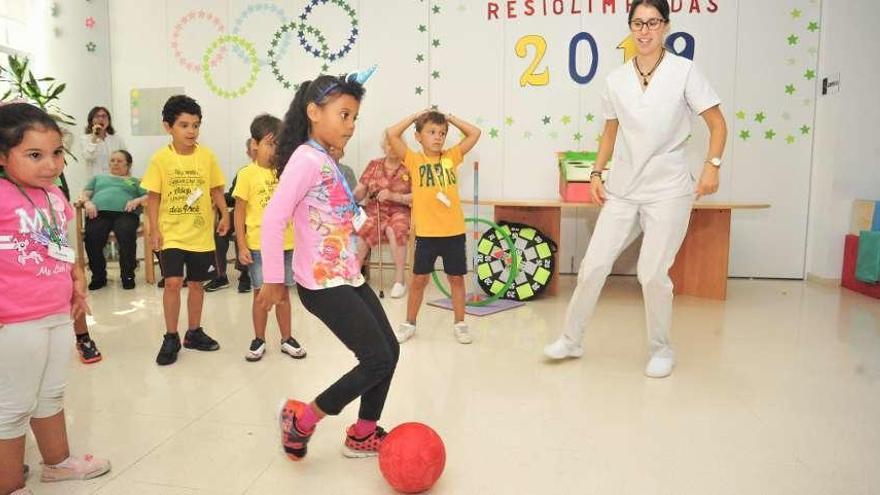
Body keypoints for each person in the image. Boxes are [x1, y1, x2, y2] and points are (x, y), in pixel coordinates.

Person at [543, 0, 728, 378]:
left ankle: (662, 349)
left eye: (653, 23)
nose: (645, 31)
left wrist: (712, 166)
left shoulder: (684, 71)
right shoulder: (616, 80)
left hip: (669, 189)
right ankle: (571, 339)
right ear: (630, 27)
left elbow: (718, 124)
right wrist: (596, 173)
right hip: (623, 188)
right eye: (638, 23)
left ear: (666, 27)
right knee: (593, 266)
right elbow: (610, 131)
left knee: (651, 273)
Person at [258, 71, 400, 460]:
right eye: (344, 115)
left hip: (345, 274)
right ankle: (302, 420)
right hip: (322, 283)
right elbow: (273, 219)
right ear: (314, 112)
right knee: (377, 359)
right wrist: (272, 280)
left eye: (355, 117)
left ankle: (363, 433)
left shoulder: (323, 157)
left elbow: (331, 207)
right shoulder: (306, 158)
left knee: (389, 351)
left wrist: (357, 200)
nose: (351, 126)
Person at [0, 102, 111, 495]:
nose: (50, 164)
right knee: (12, 407)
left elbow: (61, 244)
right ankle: (10, 484)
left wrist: (76, 277)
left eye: (57, 153)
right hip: (13, 321)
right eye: (34, 155)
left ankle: (57, 463)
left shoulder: (52, 196)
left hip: (56, 312)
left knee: (51, 391)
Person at [142, 95, 229, 366]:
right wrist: (154, 228)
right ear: (168, 127)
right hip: (171, 234)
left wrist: (224, 214)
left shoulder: (207, 156)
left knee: (196, 284)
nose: (191, 131)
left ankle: (193, 332)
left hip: (201, 234)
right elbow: (153, 197)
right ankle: (171, 336)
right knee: (172, 282)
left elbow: (216, 189)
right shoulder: (160, 159)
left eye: (195, 125)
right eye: (184, 125)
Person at [386, 110, 481, 344]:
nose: (438, 137)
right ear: (418, 137)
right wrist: (413, 118)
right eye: (431, 132)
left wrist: (451, 119)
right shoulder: (414, 160)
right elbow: (392, 133)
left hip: (453, 233)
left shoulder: (452, 156)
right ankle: (409, 323)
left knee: (457, 279)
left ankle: (460, 323)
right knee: (419, 280)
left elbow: (475, 133)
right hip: (427, 234)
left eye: (442, 133)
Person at [233, 114, 306, 362]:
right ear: (254, 144)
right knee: (261, 295)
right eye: (269, 144)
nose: (275, 150)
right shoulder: (246, 175)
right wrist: (241, 245)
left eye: (279, 144)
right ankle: (259, 338)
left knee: (284, 295)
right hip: (258, 248)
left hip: (286, 245)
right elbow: (239, 213)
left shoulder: (285, 172)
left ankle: (287, 338)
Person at [352, 134, 412, 298]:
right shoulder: (374, 165)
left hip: (400, 210)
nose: (392, 147)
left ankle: (400, 281)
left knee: (396, 229)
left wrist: (394, 196)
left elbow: (418, 195)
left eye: (396, 144)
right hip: (375, 209)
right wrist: (353, 194)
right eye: (389, 144)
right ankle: (354, 275)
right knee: (364, 229)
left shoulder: (410, 166)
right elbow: (360, 190)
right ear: (383, 146)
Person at [78, 150, 147, 291]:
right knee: (93, 235)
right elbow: (84, 194)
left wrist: (137, 200)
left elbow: (149, 196)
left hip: (126, 213)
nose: (115, 163)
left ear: (128, 165)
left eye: (119, 161)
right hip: (99, 212)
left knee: (126, 232)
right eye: (112, 160)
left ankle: (128, 276)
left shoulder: (135, 181)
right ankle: (98, 277)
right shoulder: (98, 178)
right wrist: (87, 203)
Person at [204, 138, 252, 293]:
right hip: (240, 212)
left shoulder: (274, 172)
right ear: (249, 152)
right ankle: (220, 275)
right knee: (221, 231)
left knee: (241, 231)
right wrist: (217, 200)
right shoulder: (243, 172)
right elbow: (232, 195)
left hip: (258, 216)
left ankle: (245, 275)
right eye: (253, 149)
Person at [80, 106, 126, 178]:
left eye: (104, 116)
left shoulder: (117, 139)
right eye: (97, 116)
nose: (101, 119)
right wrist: (94, 138)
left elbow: (125, 159)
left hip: (116, 179)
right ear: (91, 120)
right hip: (96, 180)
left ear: (109, 120)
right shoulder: (85, 139)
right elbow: (88, 157)